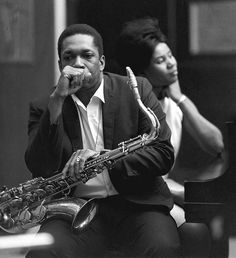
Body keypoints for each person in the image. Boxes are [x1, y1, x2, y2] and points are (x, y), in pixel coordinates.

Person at [24, 23, 182, 258]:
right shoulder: (45, 105)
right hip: (76, 209)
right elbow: (39, 166)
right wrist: (57, 101)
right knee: (43, 254)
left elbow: (163, 154)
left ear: (102, 62)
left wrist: (105, 159)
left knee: (162, 247)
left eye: (87, 55)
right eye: (69, 56)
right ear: (60, 65)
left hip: (138, 204)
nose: (78, 63)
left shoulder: (136, 89)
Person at [115, 17, 225, 257]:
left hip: (161, 191)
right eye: (160, 61)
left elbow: (217, 145)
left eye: (170, 56)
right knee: (197, 230)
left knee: (216, 220)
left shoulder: (172, 103)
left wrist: (181, 98)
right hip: (136, 198)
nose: (171, 64)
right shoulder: (133, 109)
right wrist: (181, 193)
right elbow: (134, 176)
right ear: (143, 70)